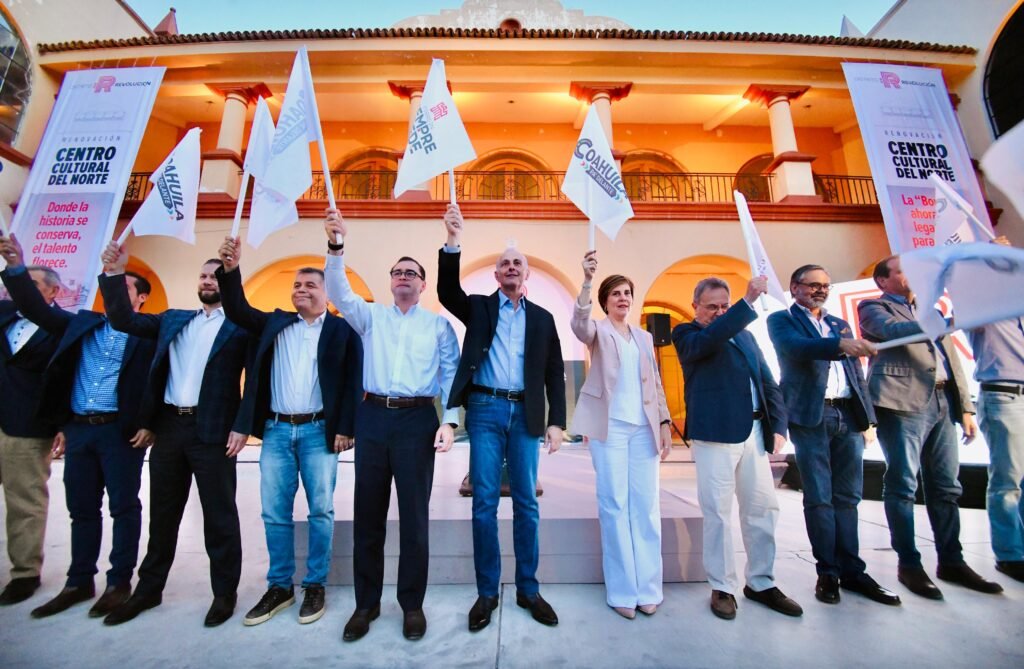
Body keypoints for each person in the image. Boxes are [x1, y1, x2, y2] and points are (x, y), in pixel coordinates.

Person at [98, 242, 254, 627]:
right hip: (169, 427)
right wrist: (114, 274)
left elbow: (254, 382)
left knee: (219, 516)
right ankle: (148, 590)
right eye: (203, 275)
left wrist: (243, 425)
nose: (208, 281)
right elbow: (123, 319)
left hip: (213, 432)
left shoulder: (241, 326)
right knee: (163, 514)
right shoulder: (173, 320)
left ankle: (224, 594)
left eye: (215, 276)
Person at [0, 233, 156, 619]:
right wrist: (15, 267)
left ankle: (119, 582)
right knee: (82, 509)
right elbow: (35, 308)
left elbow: (162, 380)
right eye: (110, 285)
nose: (113, 292)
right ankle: (79, 581)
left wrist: (150, 423)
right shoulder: (81, 325)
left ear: (141, 298)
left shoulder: (149, 332)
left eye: (123, 287)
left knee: (123, 507)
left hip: (121, 433)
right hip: (80, 430)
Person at [323, 209, 460, 642]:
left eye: (411, 273)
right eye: (397, 272)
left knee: (414, 518)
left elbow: (451, 375)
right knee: (368, 516)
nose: (403, 277)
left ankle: (412, 605)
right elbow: (339, 292)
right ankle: (366, 604)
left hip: (418, 420)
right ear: (390, 282)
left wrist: (449, 421)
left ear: (422, 284)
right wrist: (336, 246)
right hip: (374, 418)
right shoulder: (370, 317)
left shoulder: (438, 326)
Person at [216, 236, 363, 626]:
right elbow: (237, 308)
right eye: (296, 284)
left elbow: (353, 381)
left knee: (321, 511)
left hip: (319, 432)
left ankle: (315, 585)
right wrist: (230, 270)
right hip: (276, 432)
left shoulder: (343, 331)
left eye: (310, 284)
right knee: (274, 512)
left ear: (326, 293)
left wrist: (346, 427)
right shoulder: (274, 323)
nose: (301, 289)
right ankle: (280, 586)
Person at [438, 204, 566, 632]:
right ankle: (487, 592)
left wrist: (557, 421)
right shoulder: (478, 308)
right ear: (496, 275)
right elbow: (447, 291)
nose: (511, 267)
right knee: (484, 503)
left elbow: (554, 372)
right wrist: (452, 241)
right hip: (485, 410)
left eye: (517, 263)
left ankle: (528, 589)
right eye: (505, 263)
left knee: (527, 502)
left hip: (527, 412)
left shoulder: (543, 319)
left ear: (526, 274)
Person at [858, 255, 1002, 599]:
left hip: (942, 402)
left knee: (947, 487)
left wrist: (965, 407)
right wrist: (947, 320)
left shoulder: (930, 309)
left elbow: (952, 361)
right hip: (900, 403)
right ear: (883, 281)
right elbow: (893, 333)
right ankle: (909, 564)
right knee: (903, 484)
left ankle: (952, 561)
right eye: (902, 271)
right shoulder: (873, 308)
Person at [767, 264, 900, 606]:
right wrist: (841, 345)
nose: (820, 290)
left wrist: (868, 419)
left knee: (848, 497)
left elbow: (855, 374)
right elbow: (797, 348)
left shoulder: (838, 323)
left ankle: (852, 570)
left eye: (825, 286)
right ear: (795, 287)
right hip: (812, 416)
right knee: (819, 497)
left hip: (848, 415)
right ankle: (827, 571)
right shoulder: (782, 320)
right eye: (813, 285)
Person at [673, 276, 802, 621]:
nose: (719, 312)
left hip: (755, 433)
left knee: (763, 508)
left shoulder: (745, 336)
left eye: (725, 306)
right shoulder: (686, 334)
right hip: (715, 435)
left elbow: (767, 381)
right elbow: (709, 341)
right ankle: (722, 586)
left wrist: (778, 426)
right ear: (695, 306)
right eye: (711, 306)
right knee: (717, 512)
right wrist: (745, 305)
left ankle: (761, 582)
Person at [570, 250, 672, 620]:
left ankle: (649, 589)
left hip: (644, 430)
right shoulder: (597, 331)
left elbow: (655, 383)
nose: (623, 298)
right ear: (606, 301)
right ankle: (622, 591)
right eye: (616, 293)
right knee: (614, 505)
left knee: (646, 507)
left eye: (627, 293)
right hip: (609, 429)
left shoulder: (644, 337)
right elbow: (579, 323)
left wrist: (663, 423)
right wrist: (586, 281)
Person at [0, 239, 63, 606]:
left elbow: (67, 378)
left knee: (24, 502)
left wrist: (62, 425)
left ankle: (24, 573)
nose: (14, 290)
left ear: (53, 291)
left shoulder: (62, 327)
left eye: (30, 284)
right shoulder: (3, 315)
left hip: (26, 427)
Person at [967, 237, 1024, 583]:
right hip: (1004, 395)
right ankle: (1010, 554)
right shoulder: (983, 305)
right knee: (1008, 479)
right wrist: (986, 256)